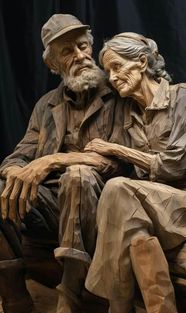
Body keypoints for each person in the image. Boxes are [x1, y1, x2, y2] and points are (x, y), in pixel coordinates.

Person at [84, 32, 186, 313]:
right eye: (108, 71)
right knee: (132, 228)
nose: (111, 78)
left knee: (118, 189)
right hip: (153, 205)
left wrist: (119, 150)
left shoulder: (181, 95)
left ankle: (117, 307)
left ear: (142, 61)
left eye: (117, 67)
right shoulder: (128, 115)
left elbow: (175, 165)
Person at [0, 15, 130, 313]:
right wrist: (18, 173)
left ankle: (71, 296)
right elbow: (18, 156)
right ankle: (16, 298)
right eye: (68, 51)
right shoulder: (46, 104)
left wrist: (52, 160)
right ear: (52, 65)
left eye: (83, 46)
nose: (81, 56)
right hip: (53, 205)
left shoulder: (120, 93)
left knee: (78, 175)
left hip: (106, 204)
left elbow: (122, 159)